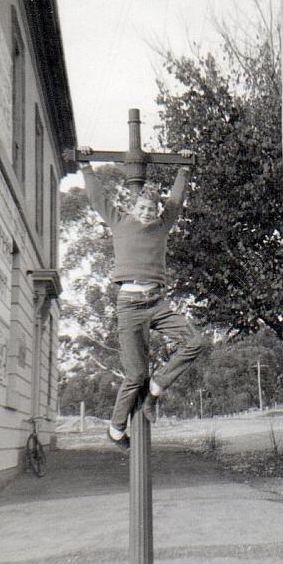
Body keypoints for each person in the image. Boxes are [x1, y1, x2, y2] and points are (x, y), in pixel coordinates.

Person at [78, 146, 205, 450]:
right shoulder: (119, 222)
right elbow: (98, 199)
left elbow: (176, 200)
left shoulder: (162, 226)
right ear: (134, 208)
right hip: (129, 306)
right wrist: (86, 166)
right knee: (135, 374)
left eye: (153, 209)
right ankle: (115, 428)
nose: (148, 212)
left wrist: (184, 169)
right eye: (143, 208)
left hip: (157, 304)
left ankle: (156, 390)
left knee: (195, 342)